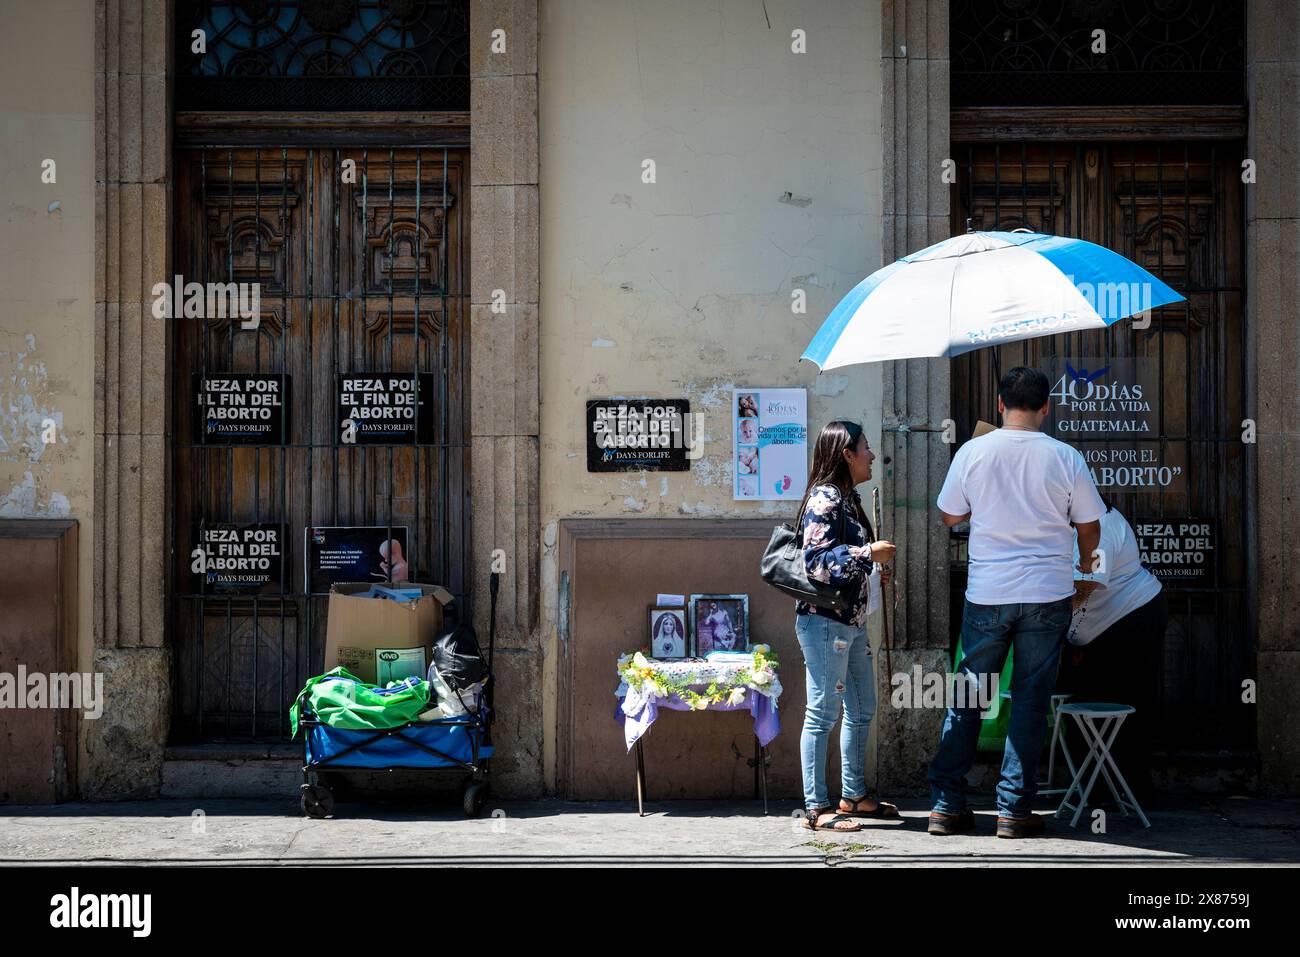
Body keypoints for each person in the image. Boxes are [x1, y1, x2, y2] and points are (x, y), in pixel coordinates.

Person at [930, 367, 1105, 839]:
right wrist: (1087, 567)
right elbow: (1090, 525)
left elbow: (949, 515)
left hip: (988, 593)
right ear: (1047, 407)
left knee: (968, 696)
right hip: (1048, 594)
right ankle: (1013, 810)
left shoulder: (973, 451)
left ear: (1000, 404)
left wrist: (982, 503)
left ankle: (946, 805)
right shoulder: (1065, 457)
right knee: (1030, 701)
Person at [794, 420, 899, 832]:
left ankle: (853, 796)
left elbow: (847, 561)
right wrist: (867, 552)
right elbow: (816, 561)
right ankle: (816, 809)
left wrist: (872, 570)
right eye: (866, 447)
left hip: (851, 623)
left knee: (861, 709)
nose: (872, 455)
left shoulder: (850, 500)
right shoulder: (825, 498)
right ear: (847, 454)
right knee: (822, 713)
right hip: (824, 624)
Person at [1058, 501, 1167, 802]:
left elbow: (1084, 586)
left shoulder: (1100, 525)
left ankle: (1131, 791)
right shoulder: (1060, 523)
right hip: (1090, 630)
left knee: (1128, 706)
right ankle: (1095, 788)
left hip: (1131, 618)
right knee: (1087, 703)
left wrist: (1042, 621)